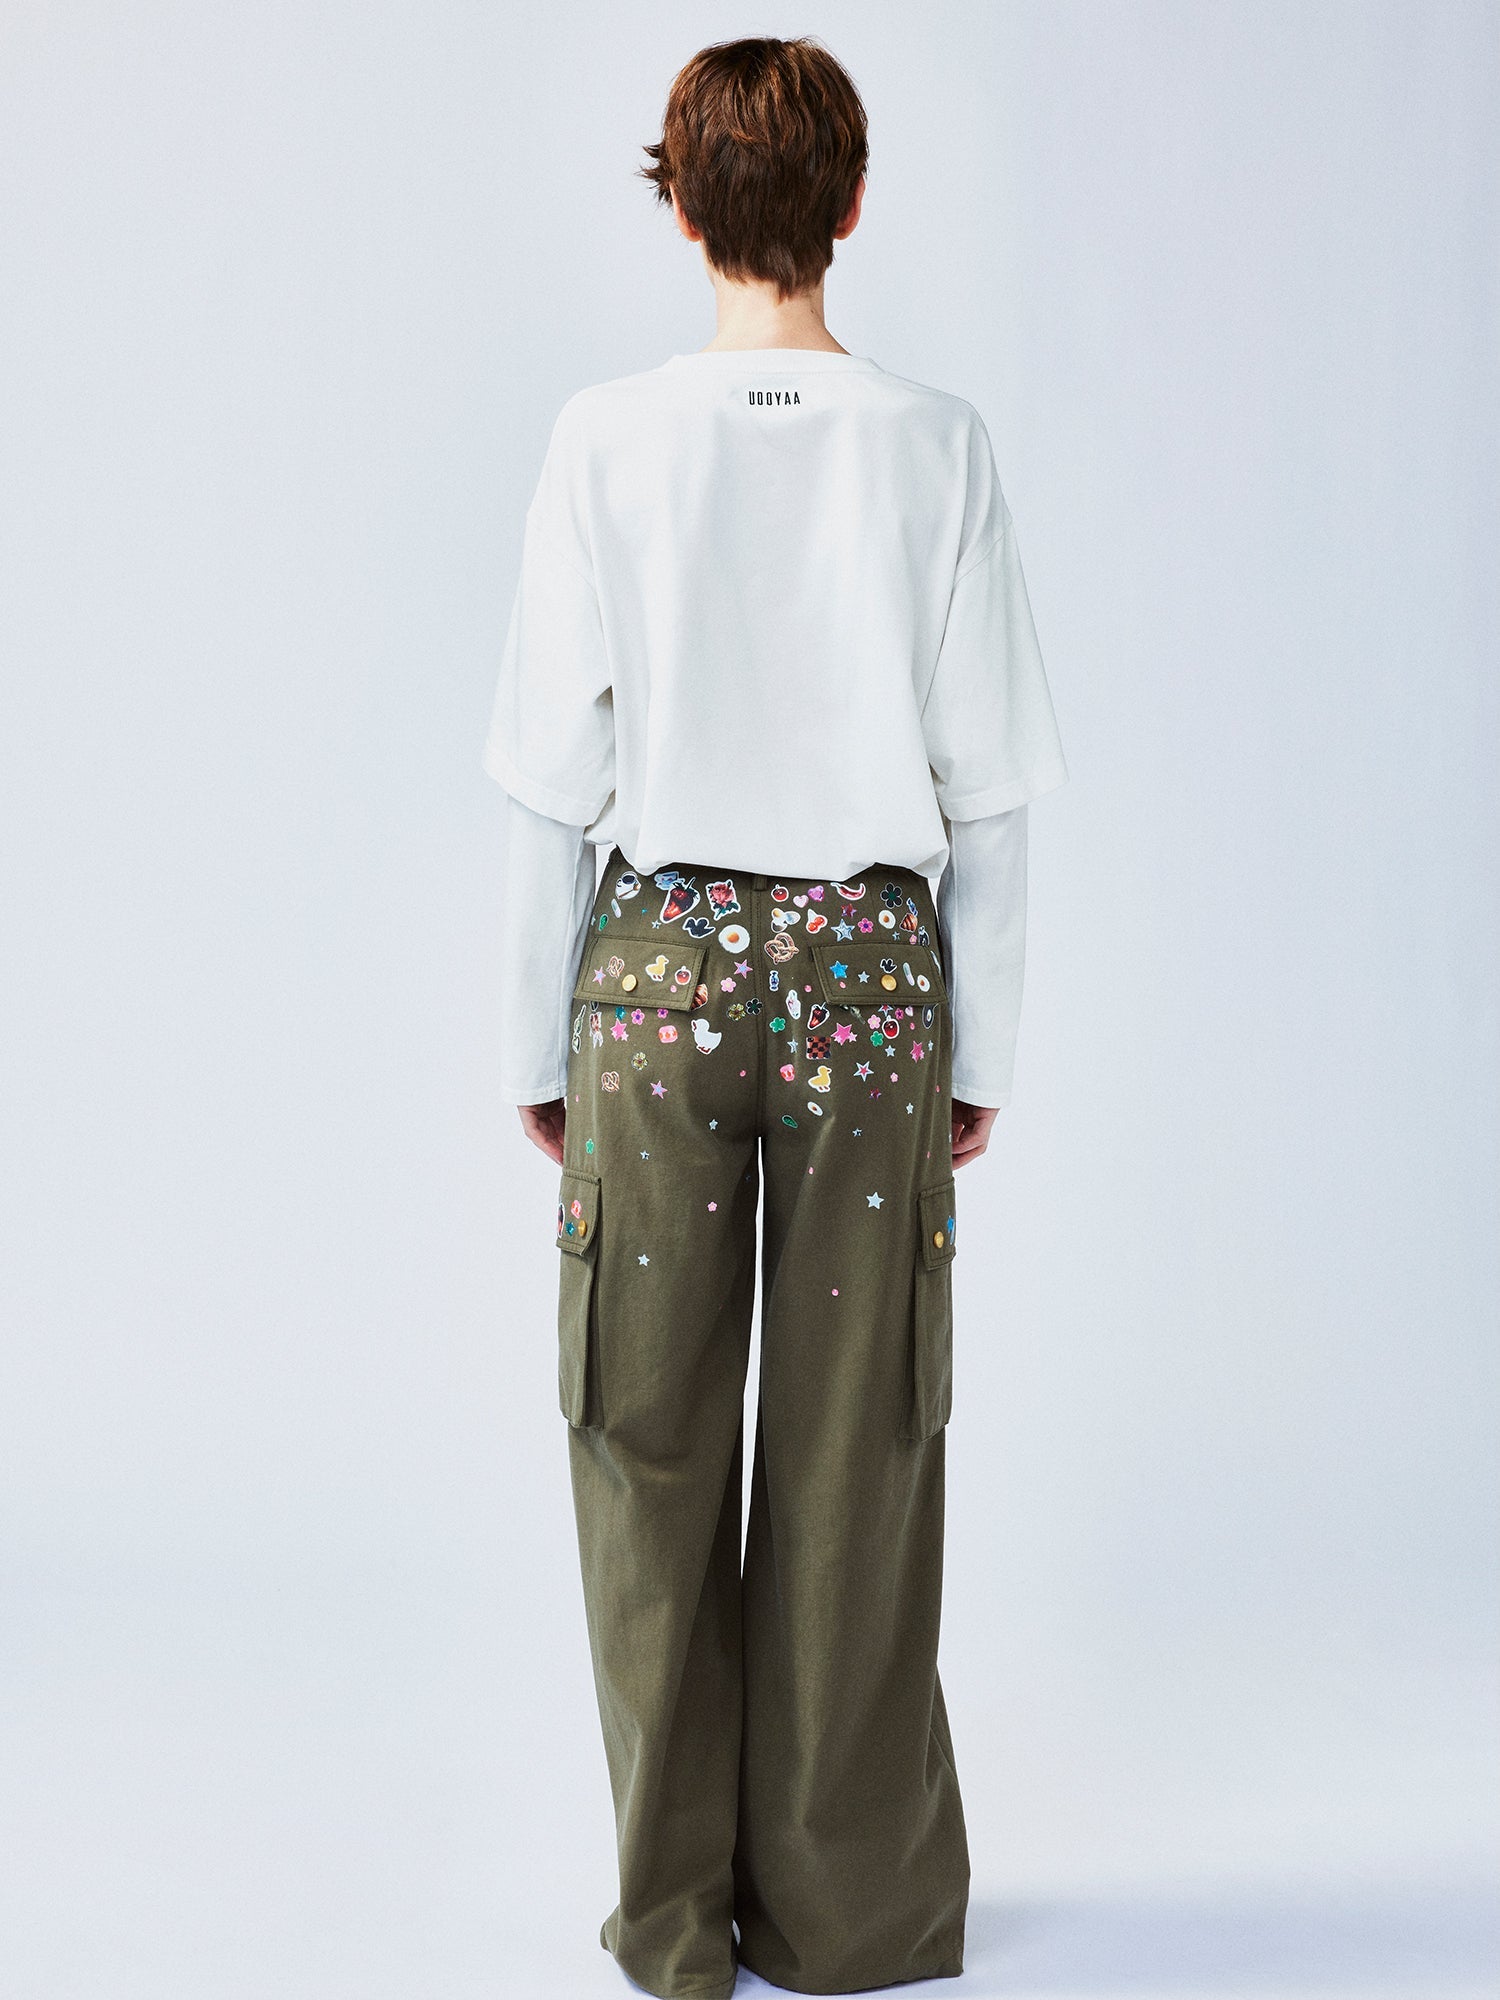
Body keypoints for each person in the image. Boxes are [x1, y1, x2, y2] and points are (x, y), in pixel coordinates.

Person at [483, 35, 1068, 1999]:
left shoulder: (602, 441)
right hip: (870, 997)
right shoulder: (936, 445)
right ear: (855, 200)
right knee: (855, 1456)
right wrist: (980, 1050)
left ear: (679, 205)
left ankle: (671, 1925)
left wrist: (532, 1050)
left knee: (641, 1445)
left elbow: (546, 790)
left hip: (652, 984)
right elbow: (992, 795)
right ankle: (846, 1917)